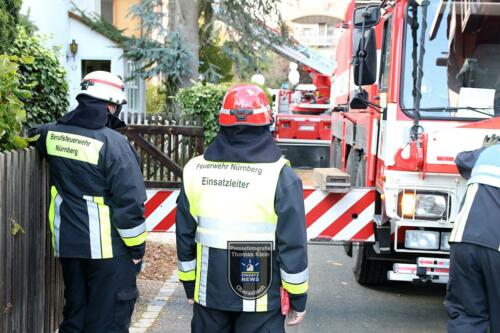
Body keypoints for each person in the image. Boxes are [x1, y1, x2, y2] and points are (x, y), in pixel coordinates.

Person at [176, 84, 308, 333]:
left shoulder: (195, 170)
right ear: (267, 122)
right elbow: (293, 243)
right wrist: (298, 297)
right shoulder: (281, 175)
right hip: (260, 295)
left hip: (209, 291)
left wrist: (188, 283)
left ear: (222, 122)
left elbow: (184, 234)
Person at [29, 71, 147, 333]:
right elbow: (131, 204)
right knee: (109, 322)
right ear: (110, 104)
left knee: (76, 317)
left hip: (69, 247)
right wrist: (137, 250)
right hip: (110, 252)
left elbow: (31, 135)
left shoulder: (50, 135)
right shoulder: (115, 144)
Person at [445, 134, 500, 332]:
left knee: (466, 316)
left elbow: (461, 160)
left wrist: (484, 149)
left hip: (464, 241)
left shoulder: (487, 153)